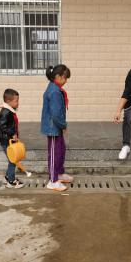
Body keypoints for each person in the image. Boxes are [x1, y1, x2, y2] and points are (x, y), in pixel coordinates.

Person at [41, 64, 74, 192]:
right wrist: (63, 125)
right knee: (54, 153)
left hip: (56, 127)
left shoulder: (55, 88)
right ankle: (53, 180)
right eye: (65, 78)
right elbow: (55, 114)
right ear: (57, 77)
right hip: (53, 128)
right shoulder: (54, 91)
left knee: (61, 150)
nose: (66, 81)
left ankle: (59, 173)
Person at [0, 89, 25, 189]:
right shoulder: (5, 112)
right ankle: (11, 181)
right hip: (5, 140)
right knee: (13, 160)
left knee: (12, 159)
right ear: (8, 102)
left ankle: (8, 176)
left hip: (9, 139)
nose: (18, 103)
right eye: (16, 101)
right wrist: (12, 134)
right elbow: (2, 126)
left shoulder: (9, 111)